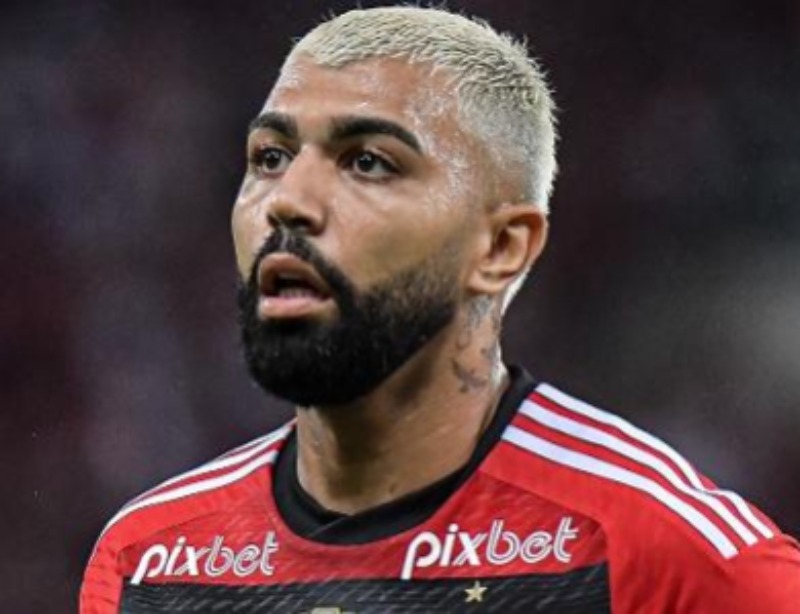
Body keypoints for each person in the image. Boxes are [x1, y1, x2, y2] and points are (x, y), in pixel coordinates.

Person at [80, 6, 800, 613]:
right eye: (270, 157)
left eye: (368, 161)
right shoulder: (149, 564)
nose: (287, 201)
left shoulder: (656, 551)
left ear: (502, 248)